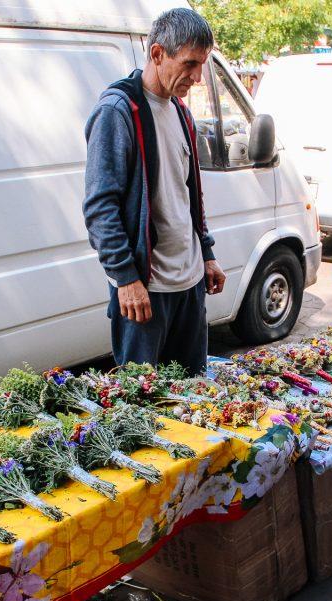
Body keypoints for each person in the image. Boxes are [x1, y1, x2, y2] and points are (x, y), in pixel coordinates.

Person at [83, 8, 225, 375]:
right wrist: (126, 279)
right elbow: (101, 207)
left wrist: (206, 253)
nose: (197, 77)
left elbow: (190, 194)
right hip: (145, 291)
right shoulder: (118, 111)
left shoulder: (182, 113)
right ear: (158, 54)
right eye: (190, 64)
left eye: (202, 65)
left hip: (189, 284)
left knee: (191, 398)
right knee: (145, 411)